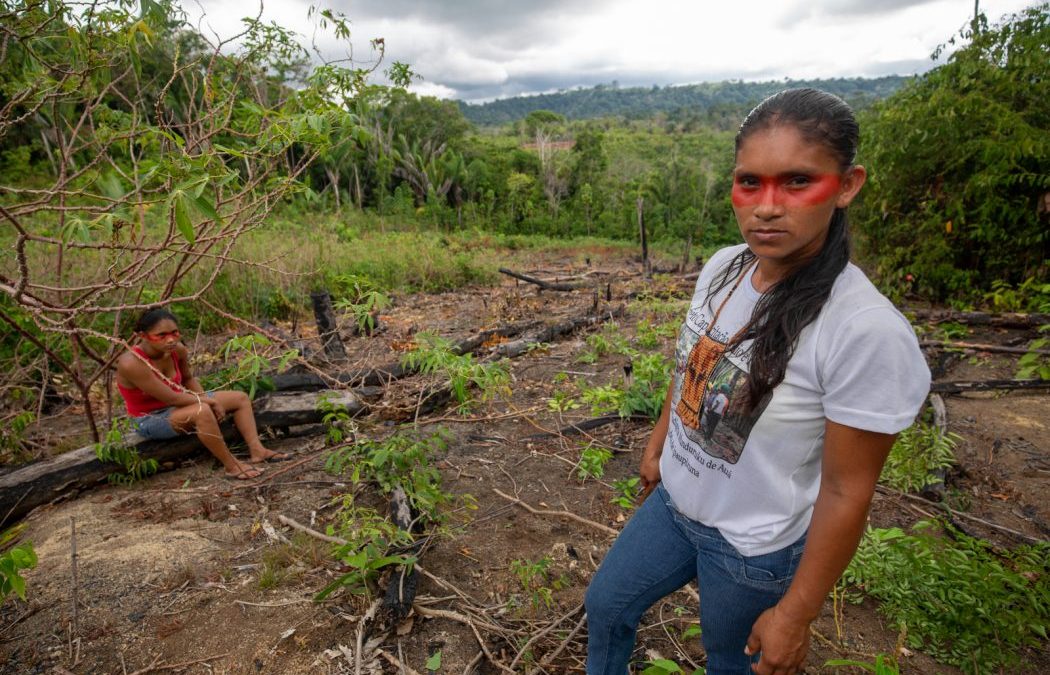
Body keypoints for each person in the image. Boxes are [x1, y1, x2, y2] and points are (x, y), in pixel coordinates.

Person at [584, 88, 930, 675]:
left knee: (730, 661)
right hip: (674, 506)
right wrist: (659, 442)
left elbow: (847, 493)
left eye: (797, 182)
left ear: (847, 185)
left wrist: (795, 615)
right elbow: (694, 360)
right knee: (606, 606)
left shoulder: (864, 330)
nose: (767, 206)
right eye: (750, 182)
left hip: (751, 548)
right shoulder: (725, 267)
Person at [116, 308, 291, 480]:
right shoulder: (132, 363)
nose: (170, 340)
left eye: (174, 333)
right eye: (161, 335)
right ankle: (231, 466)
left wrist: (205, 399)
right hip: (150, 418)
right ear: (143, 336)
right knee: (202, 411)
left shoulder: (178, 350)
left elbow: (188, 379)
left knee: (240, 398)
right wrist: (208, 403)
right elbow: (170, 397)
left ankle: (257, 450)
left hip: (181, 404)